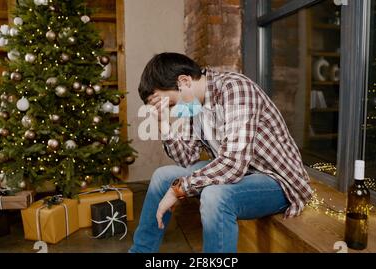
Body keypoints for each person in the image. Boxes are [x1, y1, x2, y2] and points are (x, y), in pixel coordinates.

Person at [129, 52, 312, 253]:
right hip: (239, 173)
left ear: (184, 81)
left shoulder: (235, 88)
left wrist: (178, 190)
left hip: (276, 181)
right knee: (162, 176)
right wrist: (163, 123)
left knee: (214, 196)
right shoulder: (193, 103)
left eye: (170, 104)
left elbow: (233, 164)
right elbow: (187, 159)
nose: (173, 110)